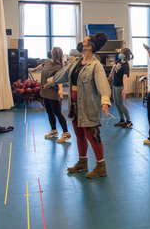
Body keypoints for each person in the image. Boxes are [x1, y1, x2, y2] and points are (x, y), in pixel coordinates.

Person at [45, 32, 111, 178]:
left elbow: (103, 84)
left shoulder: (95, 65)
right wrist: (51, 82)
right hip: (75, 106)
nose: (81, 43)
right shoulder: (76, 62)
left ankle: (101, 167)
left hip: (89, 106)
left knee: (92, 136)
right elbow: (63, 73)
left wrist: (105, 100)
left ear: (89, 46)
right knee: (79, 134)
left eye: (84, 41)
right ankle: (82, 163)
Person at [37, 47, 71, 143]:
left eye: (51, 52)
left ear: (54, 54)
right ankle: (54, 131)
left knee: (57, 113)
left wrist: (60, 90)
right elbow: (42, 67)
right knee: (49, 112)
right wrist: (36, 68)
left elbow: (59, 79)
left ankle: (66, 133)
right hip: (45, 92)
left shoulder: (58, 67)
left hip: (53, 93)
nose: (49, 52)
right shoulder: (47, 62)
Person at [109, 47, 133, 128]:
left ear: (124, 55)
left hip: (120, 86)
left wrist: (125, 89)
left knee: (121, 104)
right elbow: (114, 66)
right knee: (116, 103)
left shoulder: (126, 65)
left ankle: (129, 121)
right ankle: (122, 120)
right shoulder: (118, 61)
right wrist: (111, 74)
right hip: (114, 84)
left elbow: (125, 77)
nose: (119, 54)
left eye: (121, 52)